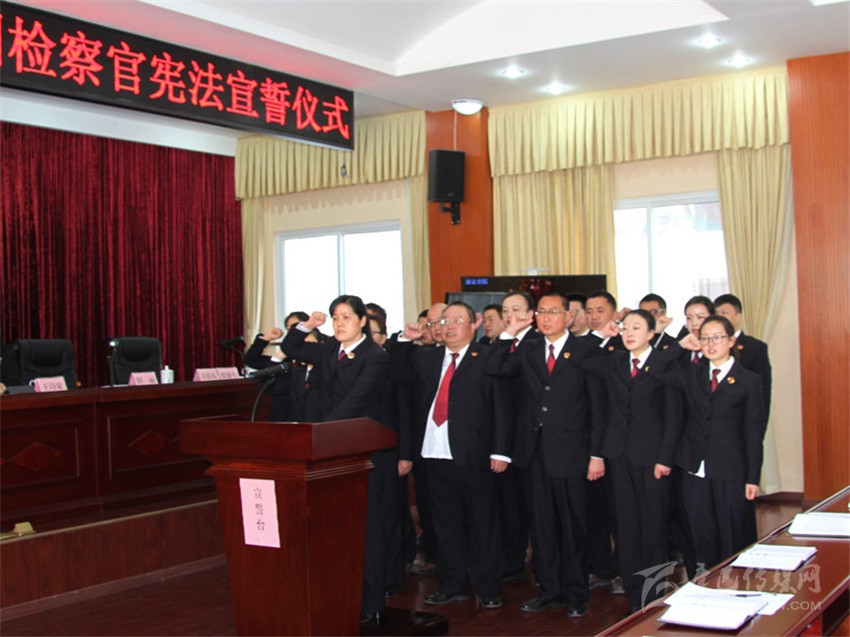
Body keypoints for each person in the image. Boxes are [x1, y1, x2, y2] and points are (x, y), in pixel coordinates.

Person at [487, 291, 604, 619]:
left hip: (572, 453)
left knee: (572, 527)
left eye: (554, 312)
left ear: (568, 316)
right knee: (542, 528)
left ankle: (577, 593)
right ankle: (549, 590)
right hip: (534, 452)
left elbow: (597, 406)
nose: (547, 317)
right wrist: (509, 333)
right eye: (541, 312)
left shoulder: (586, 349)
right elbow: (494, 367)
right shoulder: (529, 347)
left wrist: (597, 454)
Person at [280, 295, 391, 628]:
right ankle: (341, 595)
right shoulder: (329, 348)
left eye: (347, 317)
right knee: (336, 528)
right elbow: (290, 346)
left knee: (366, 529)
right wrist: (306, 326)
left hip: (360, 450)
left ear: (362, 321)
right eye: (335, 317)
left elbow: (357, 399)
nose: (340, 323)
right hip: (329, 450)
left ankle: (371, 601)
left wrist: (323, 431)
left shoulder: (375, 356)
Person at [396, 302, 510, 609]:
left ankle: (488, 588)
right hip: (432, 453)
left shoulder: (486, 357)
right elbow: (398, 375)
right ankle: (452, 585)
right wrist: (405, 340)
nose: (448, 327)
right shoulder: (426, 358)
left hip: (474, 454)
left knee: (482, 523)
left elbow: (502, 406)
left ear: (474, 324)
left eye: (457, 320)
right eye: (444, 321)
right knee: (444, 524)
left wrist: (501, 451)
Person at [593, 310, 683, 613]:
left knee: (653, 525)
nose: (628, 333)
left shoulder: (664, 363)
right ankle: (633, 592)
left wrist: (665, 457)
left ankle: (654, 592)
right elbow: (581, 361)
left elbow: (673, 416)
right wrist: (602, 335)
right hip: (619, 456)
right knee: (626, 525)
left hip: (653, 458)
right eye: (625, 327)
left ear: (651, 334)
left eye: (636, 327)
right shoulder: (614, 361)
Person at [670, 316, 767, 574]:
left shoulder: (748, 380)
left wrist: (753, 477)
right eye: (705, 338)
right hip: (695, 468)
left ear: (731, 340)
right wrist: (679, 347)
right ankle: (704, 586)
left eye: (717, 337)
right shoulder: (692, 374)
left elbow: (753, 433)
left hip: (731, 470)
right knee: (701, 535)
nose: (710, 344)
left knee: (733, 535)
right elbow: (657, 371)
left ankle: (737, 586)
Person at [497, 292, 542, 582]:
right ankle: (512, 562)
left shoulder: (537, 343)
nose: (509, 315)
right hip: (505, 440)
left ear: (530, 314)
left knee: (536, 511)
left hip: (534, 440)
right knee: (510, 508)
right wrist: (506, 336)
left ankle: (542, 568)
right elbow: (493, 369)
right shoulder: (501, 342)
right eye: (505, 310)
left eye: (516, 309)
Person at [714, 293, 772, 418]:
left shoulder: (755, 348)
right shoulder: (709, 346)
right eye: (716, 313)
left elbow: (762, 392)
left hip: (741, 418)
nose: (719, 317)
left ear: (738, 317)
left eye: (724, 313)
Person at [680, 296, 715, 364]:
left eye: (700, 317)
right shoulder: (681, 348)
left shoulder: (720, 349)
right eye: (689, 318)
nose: (694, 323)